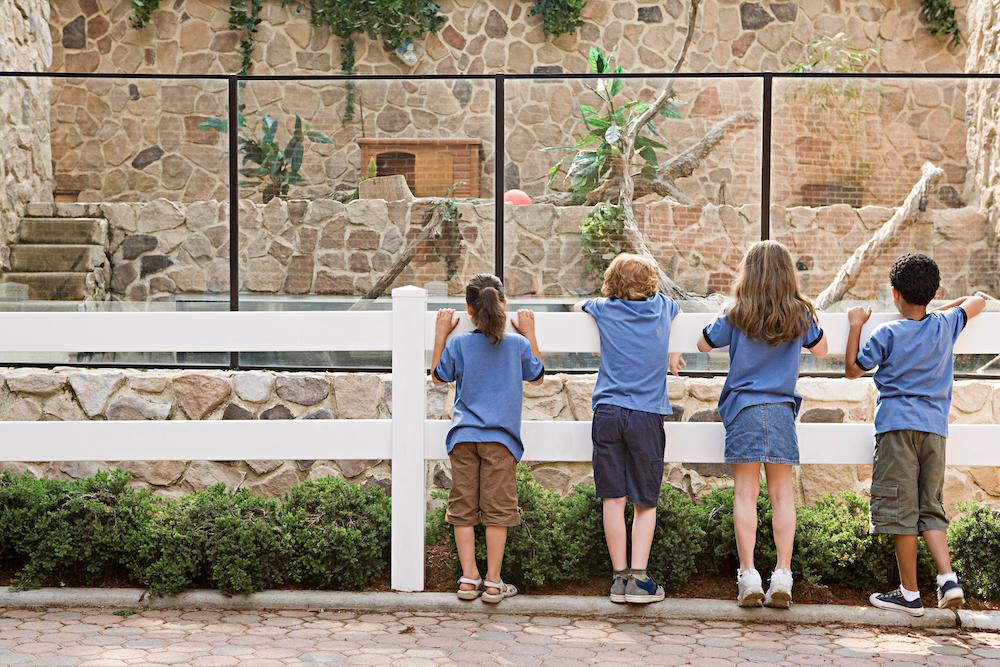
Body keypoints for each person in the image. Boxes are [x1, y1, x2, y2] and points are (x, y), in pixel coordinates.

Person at [845, 253, 986, 616]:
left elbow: (852, 370)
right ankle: (948, 579)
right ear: (932, 292)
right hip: (934, 432)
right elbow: (978, 301)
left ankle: (909, 593)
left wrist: (856, 324)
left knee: (901, 512)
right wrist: (940, 306)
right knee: (930, 506)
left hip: (896, 430)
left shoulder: (887, 332)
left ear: (894, 294)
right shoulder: (944, 325)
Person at [697, 240, 828, 608]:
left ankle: (749, 574)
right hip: (782, 410)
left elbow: (704, 343)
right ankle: (783, 574)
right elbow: (821, 349)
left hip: (744, 409)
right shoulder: (799, 314)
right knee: (782, 495)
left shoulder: (736, 312)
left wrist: (724, 314)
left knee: (745, 494)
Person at [575, 253, 683, 604]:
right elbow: (678, 311)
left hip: (607, 412)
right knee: (645, 500)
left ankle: (618, 577)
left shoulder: (603, 309)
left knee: (613, 497)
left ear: (612, 284)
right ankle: (639, 577)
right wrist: (672, 352)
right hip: (646, 416)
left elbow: (580, 306)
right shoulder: (664, 308)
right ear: (651, 284)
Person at [431, 273, 545, 605]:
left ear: (469, 310)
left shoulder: (459, 344)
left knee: (463, 508)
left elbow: (438, 377)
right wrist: (531, 332)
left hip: (464, 438)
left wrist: (440, 335)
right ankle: (493, 582)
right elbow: (537, 375)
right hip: (501, 442)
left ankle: (469, 579)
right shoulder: (518, 345)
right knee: (497, 511)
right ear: (503, 304)